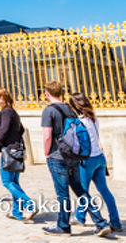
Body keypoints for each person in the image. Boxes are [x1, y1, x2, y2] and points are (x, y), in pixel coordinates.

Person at [41, 81, 110, 237]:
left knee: (62, 193)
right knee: (80, 190)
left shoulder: (49, 111)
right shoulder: (69, 109)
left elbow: (47, 136)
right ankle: (100, 222)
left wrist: (46, 153)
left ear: (47, 93)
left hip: (57, 156)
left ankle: (63, 226)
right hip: (73, 155)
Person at [69, 92, 122, 232]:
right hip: (99, 157)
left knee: (83, 191)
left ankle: (86, 219)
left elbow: (77, 144)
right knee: (104, 190)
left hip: (87, 160)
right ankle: (115, 221)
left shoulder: (78, 121)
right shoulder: (93, 116)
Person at [0, 88, 38, 221]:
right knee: (14, 182)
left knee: (7, 181)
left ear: (3, 99)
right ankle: (16, 212)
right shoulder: (12, 112)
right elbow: (21, 129)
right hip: (16, 149)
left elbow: (4, 129)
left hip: (9, 150)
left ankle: (30, 205)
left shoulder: (6, 112)